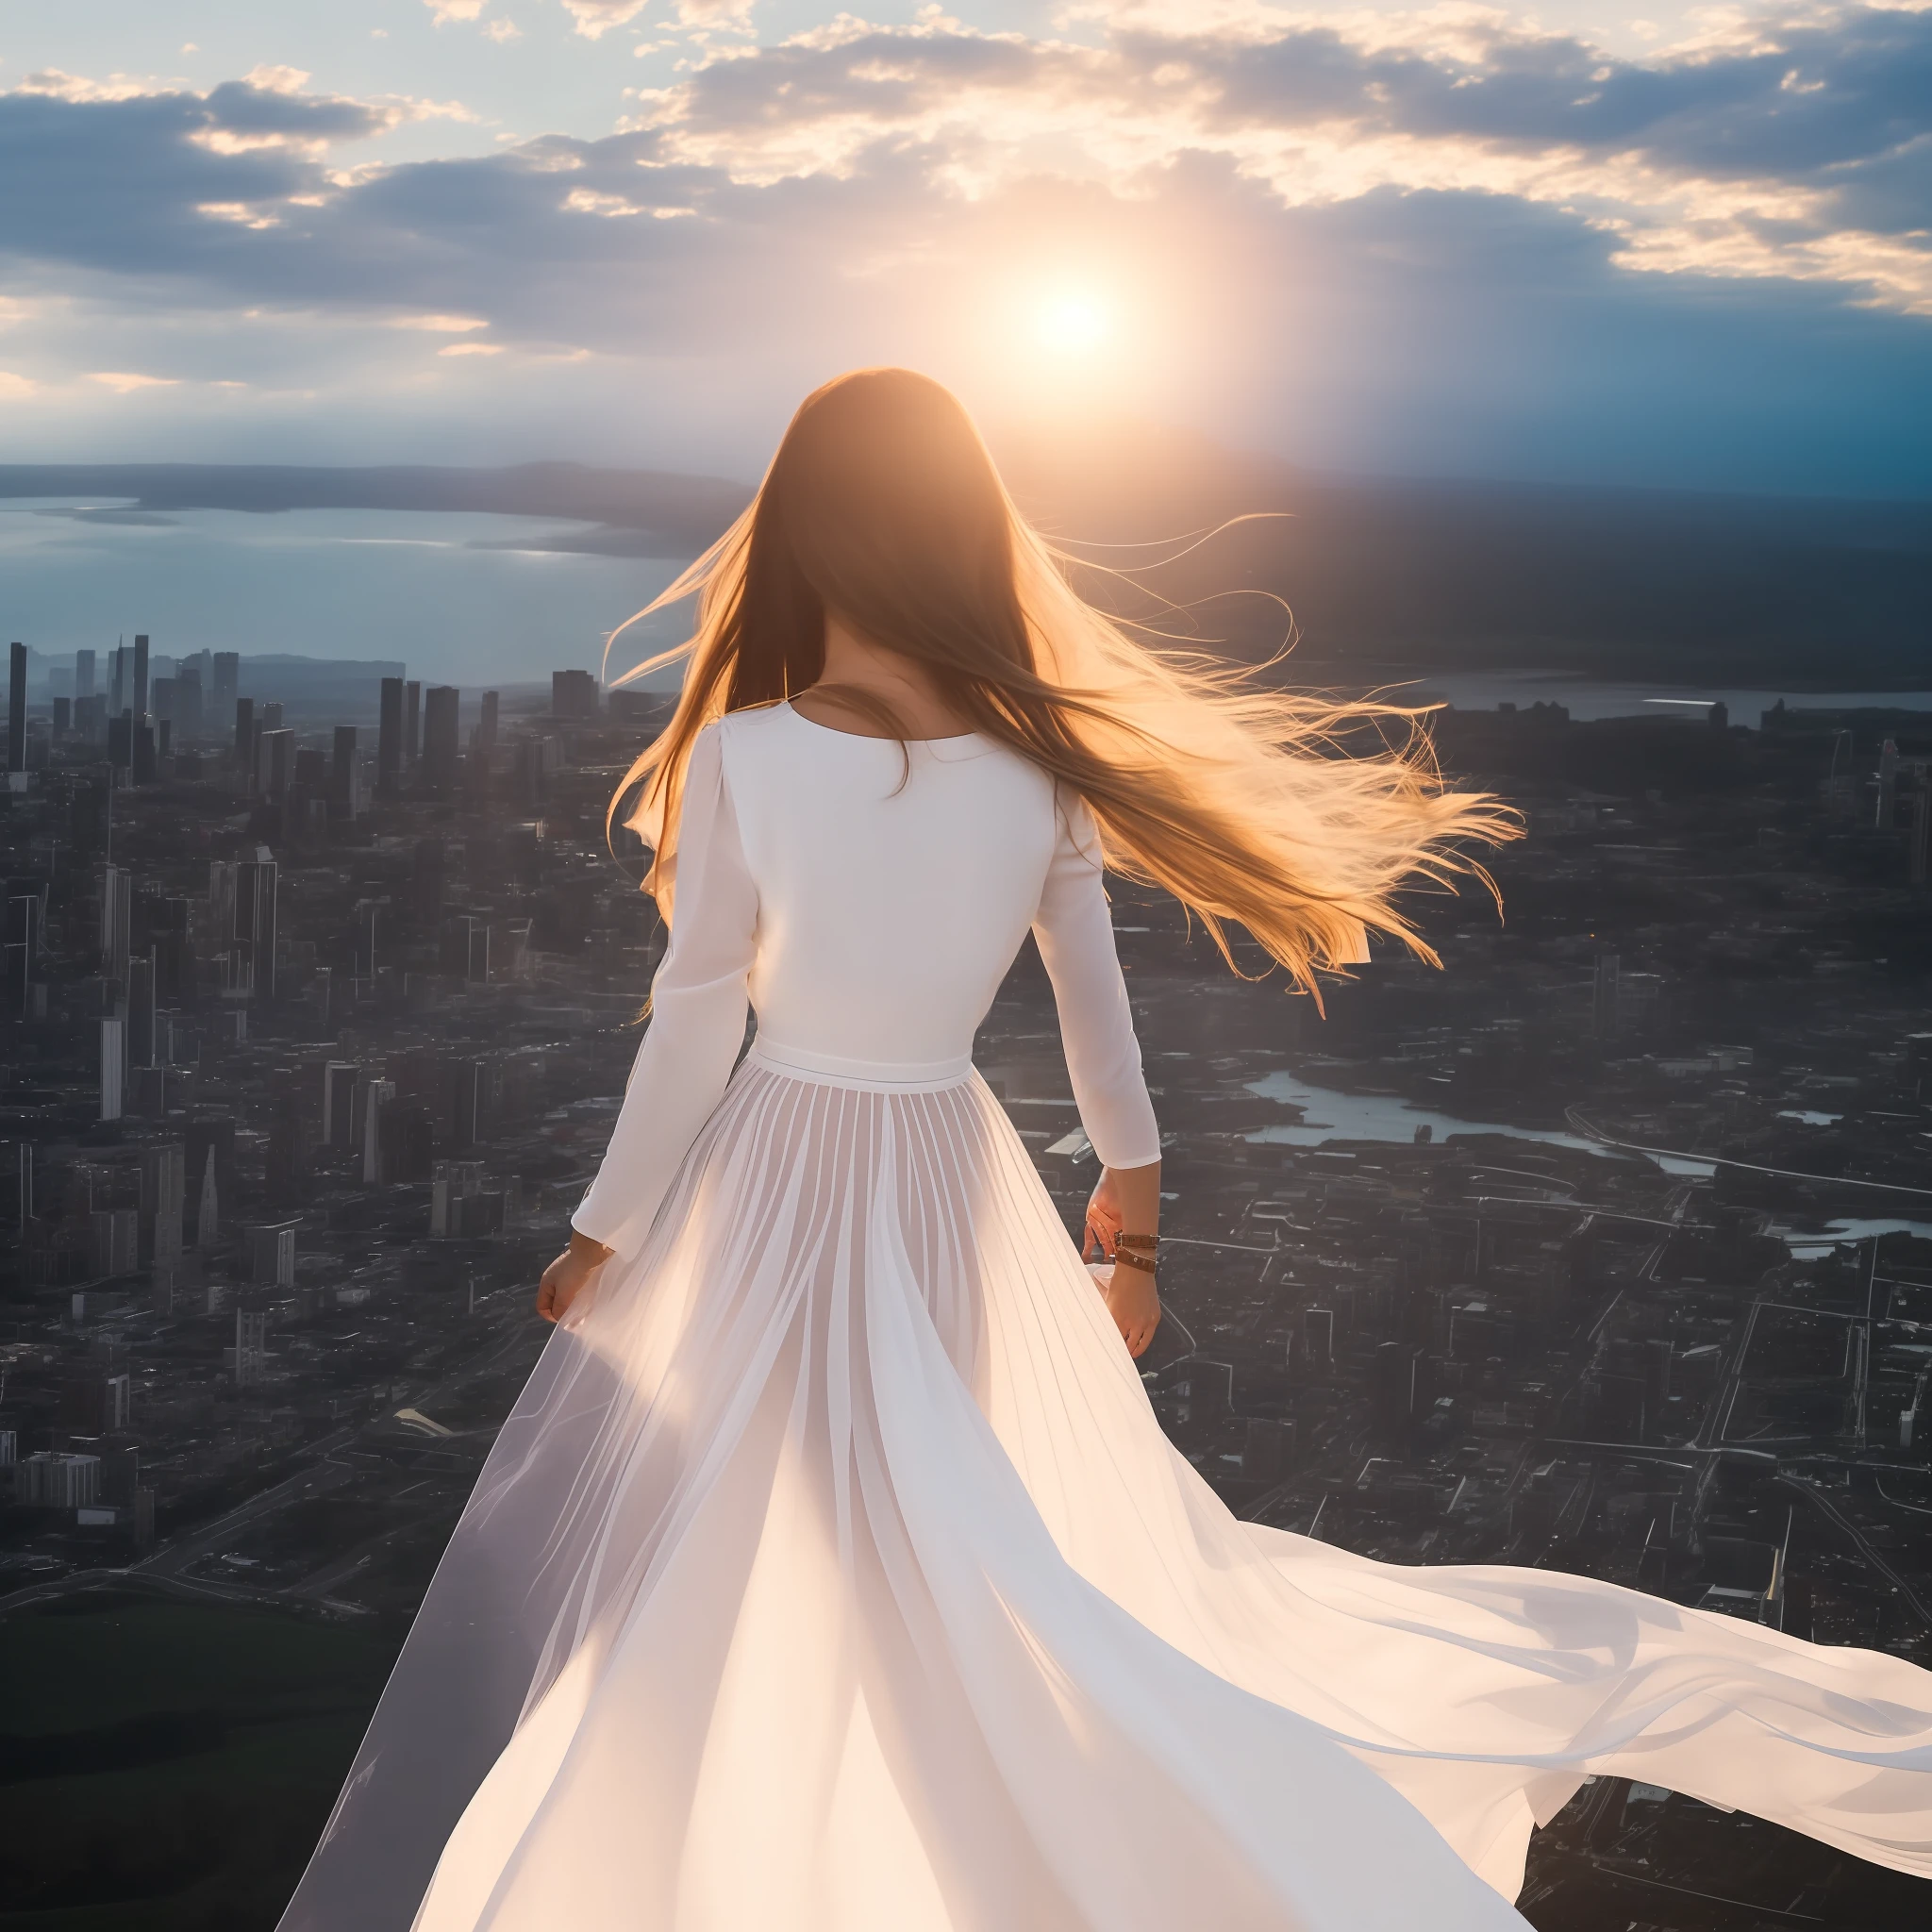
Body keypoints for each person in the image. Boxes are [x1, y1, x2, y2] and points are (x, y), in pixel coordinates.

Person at [278, 371, 1932, 1932]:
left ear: (799, 529)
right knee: (969, 1577)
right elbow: (1097, 1025)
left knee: (743, 1581)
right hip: (958, 1183)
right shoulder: (1036, 761)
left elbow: (697, 1019)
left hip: (775, 1190)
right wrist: (1131, 1243)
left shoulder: (745, 751)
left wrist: (607, 1231)